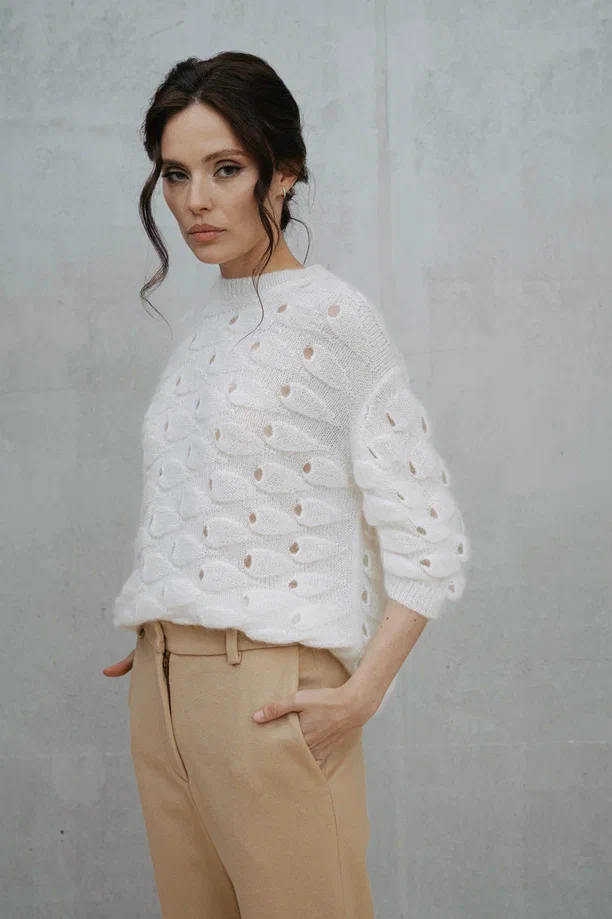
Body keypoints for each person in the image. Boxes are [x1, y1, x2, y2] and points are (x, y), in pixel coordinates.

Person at [102, 51, 471, 919]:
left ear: (284, 172)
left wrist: (359, 695)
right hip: (164, 695)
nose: (195, 200)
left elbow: (431, 538)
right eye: (176, 173)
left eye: (225, 168)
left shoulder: (333, 319)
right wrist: (169, 612)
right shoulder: (203, 328)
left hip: (267, 697)